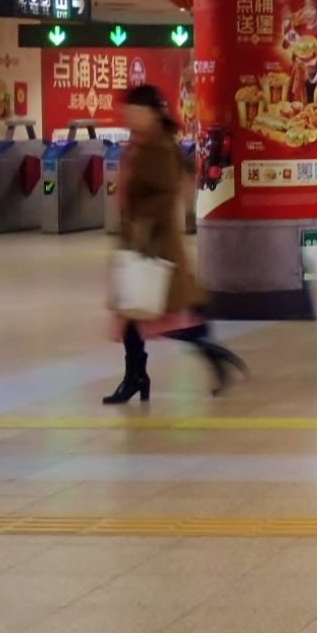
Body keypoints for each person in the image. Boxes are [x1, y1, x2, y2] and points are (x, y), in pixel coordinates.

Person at [105, 84, 243, 404]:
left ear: (152, 113)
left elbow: (166, 193)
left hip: (155, 245)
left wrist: (142, 227)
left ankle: (212, 354)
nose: (128, 115)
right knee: (135, 317)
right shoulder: (139, 144)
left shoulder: (159, 147)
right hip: (137, 242)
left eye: (134, 110)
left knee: (164, 316)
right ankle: (136, 377)